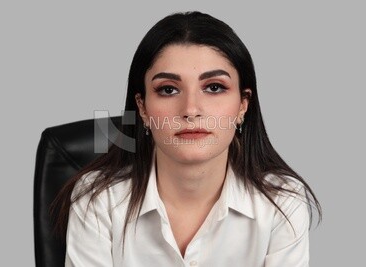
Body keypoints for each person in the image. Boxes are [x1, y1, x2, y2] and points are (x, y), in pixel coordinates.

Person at [52, 11, 321, 266]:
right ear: (143, 108)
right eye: (168, 89)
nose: (191, 110)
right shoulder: (99, 200)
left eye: (214, 88)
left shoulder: (282, 203)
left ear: (243, 105)